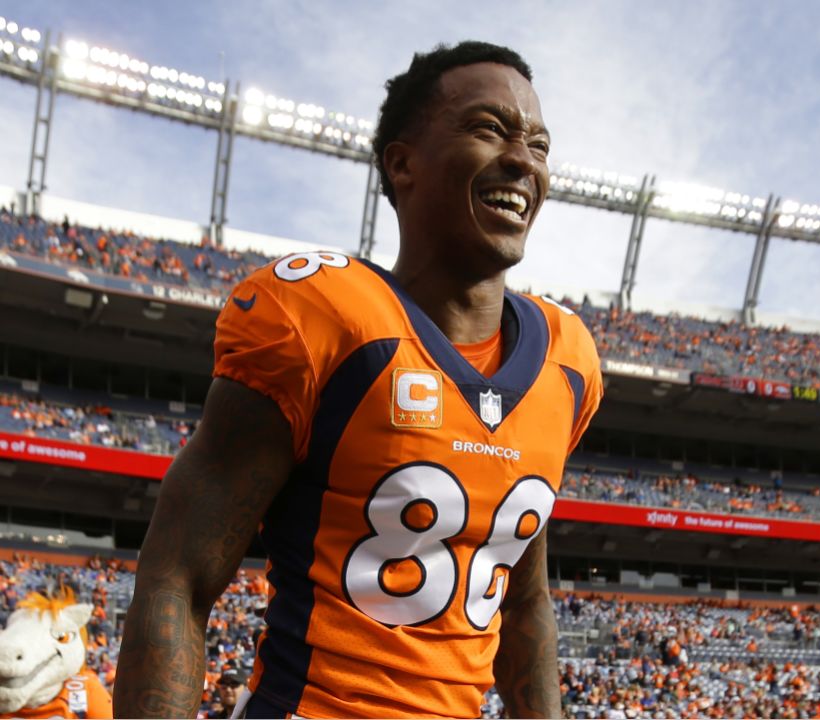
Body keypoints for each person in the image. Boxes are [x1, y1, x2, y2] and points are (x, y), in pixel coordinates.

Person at [114, 41, 603, 719]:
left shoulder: (567, 359)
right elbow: (179, 577)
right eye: (490, 129)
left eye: (538, 143)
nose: (523, 159)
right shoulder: (321, 317)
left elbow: (524, 599)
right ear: (403, 163)